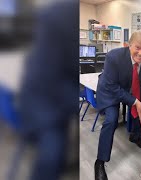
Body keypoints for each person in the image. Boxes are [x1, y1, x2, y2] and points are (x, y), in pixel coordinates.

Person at [17, 1, 78, 180]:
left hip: (62, 95)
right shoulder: (57, 16)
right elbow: (49, 78)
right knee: (52, 153)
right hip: (42, 100)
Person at [95, 31, 141, 180]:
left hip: (130, 90)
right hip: (110, 90)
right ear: (129, 45)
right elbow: (111, 86)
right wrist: (134, 101)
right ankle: (100, 162)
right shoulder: (113, 57)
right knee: (111, 119)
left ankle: (135, 135)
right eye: (138, 47)